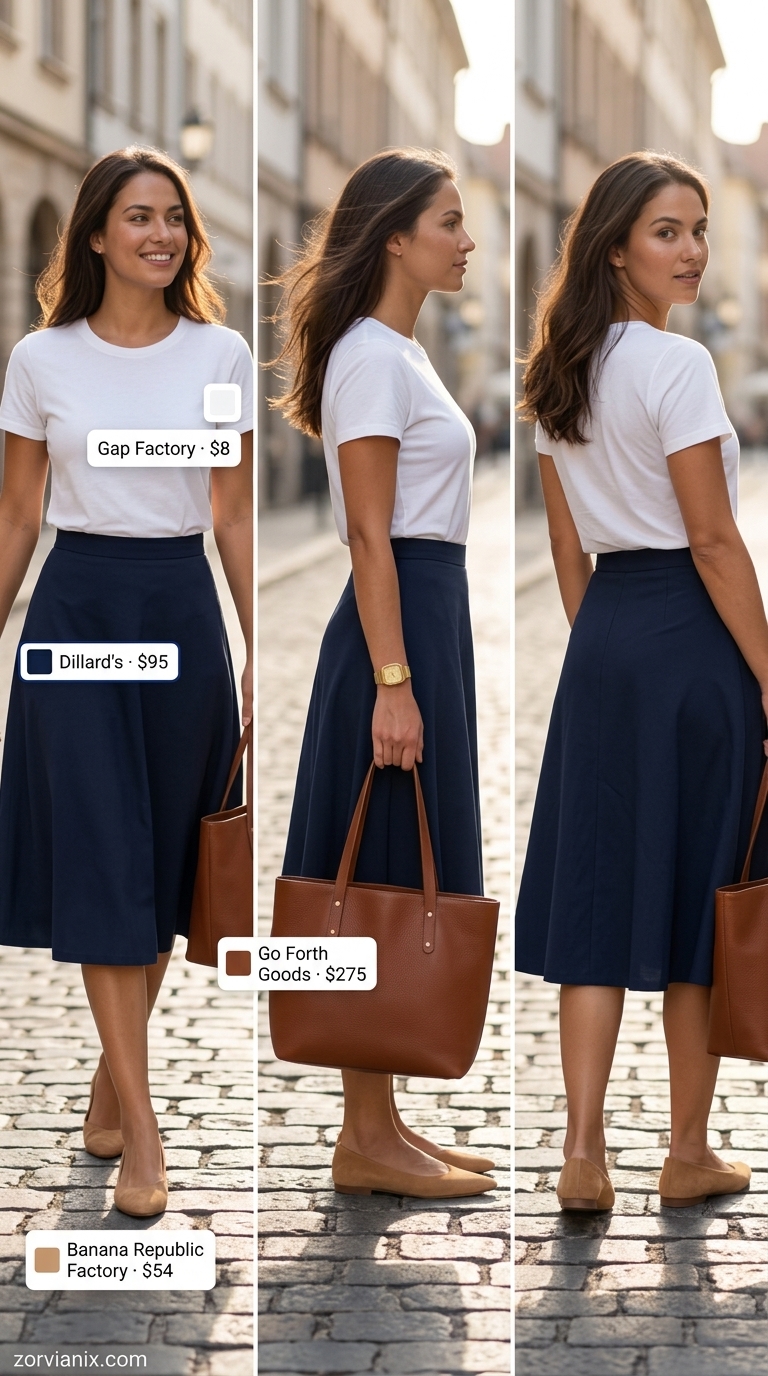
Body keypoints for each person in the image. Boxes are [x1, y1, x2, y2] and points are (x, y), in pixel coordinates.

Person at [0, 147, 253, 1217]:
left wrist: (254, 647)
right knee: (104, 852)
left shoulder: (222, 352)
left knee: (155, 868)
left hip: (180, 611)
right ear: (96, 233)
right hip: (77, 613)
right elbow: (17, 512)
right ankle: (143, 1134)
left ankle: (115, 1079)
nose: (160, 234)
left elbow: (234, 513)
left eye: (174, 219)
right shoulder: (40, 358)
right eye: (138, 216)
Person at [515, 150, 768, 1212]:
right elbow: (715, 540)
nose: (694, 251)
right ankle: (684, 1151)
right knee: (695, 899)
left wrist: (611, 652)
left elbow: (570, 557)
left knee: (600, 892)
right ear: (615, 244)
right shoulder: (680, 368)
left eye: (700, 229)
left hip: (606, 643)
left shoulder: (553, 378)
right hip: (692, 638)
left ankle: (582, 1151)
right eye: (669, 230)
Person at [270, 148, 497, 1199]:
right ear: (397, 236)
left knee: (406, 858)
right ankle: (364, 1133)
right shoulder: (370, 354)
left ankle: (384, 1121)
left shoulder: (399, 352)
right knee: (382, 871)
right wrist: (394, 679)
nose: (466, 239)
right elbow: (368, 534)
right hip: (394, 626)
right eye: (450, 221)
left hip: (425, 619)